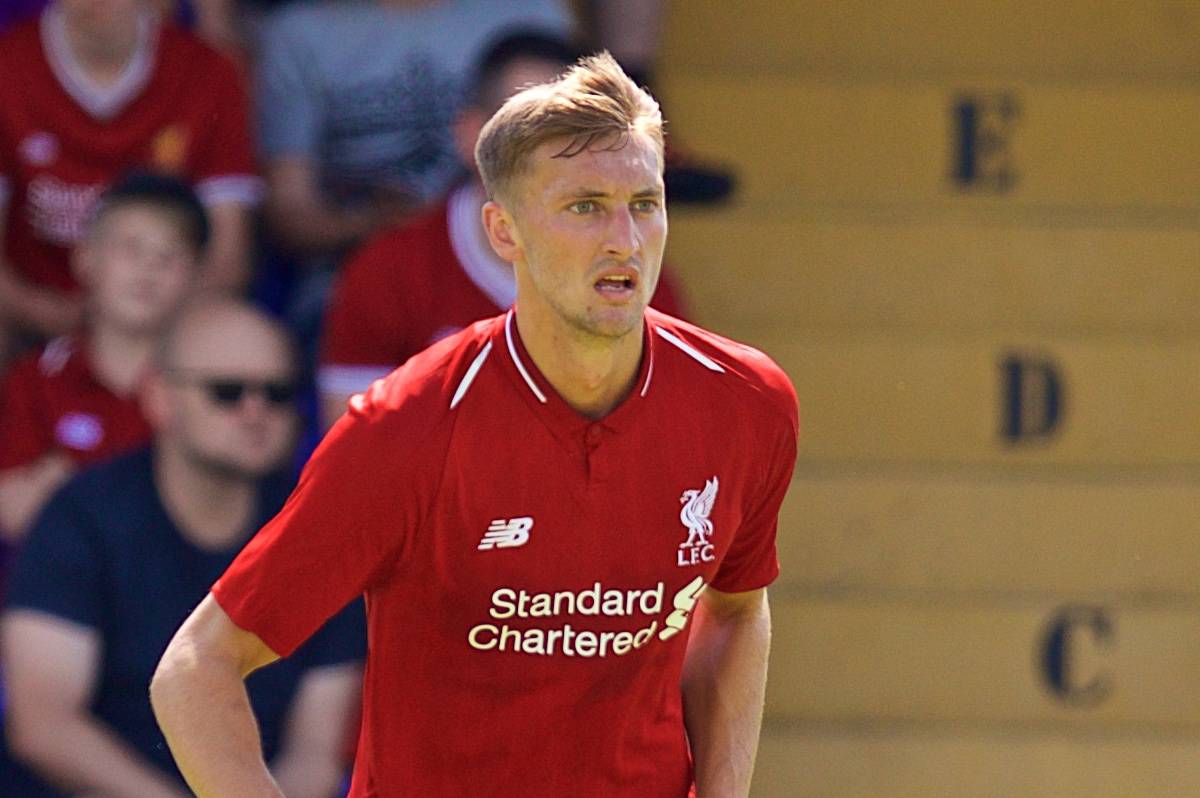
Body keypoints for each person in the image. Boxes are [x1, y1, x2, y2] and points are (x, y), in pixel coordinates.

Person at [150, 54, 798, 796]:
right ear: (503, 231)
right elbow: (196, 668)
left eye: (644, 203)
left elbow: (738, 611)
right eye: (584, 206)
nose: (624, 237)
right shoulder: (405, 428)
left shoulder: (748, 400)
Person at [0, 298, 364, 797]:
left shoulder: (321, 536)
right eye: (226, 392)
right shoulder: (80, 516)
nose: (255, 411)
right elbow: (44, 727)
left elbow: (314, 752)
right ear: (159, 396)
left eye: (278, 393)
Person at [318, 31, 689, 428]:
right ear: (470, 135)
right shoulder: (388, 270)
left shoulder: (631, 273)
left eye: (574, 131)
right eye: (525, 126)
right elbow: (353, 445)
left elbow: (670, 436)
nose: (552, 149)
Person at [0, 0, 259, 363]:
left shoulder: (209, 72)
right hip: (33, 325)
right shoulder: (8, 67)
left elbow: (228, 261)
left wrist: (136, 328)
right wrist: (63, 318)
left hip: (170, 328)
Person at [255, 0, 571, 261]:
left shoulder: (530, 11)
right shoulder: (300, 33)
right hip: (349, 271)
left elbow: (572, 154)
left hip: (522, 259)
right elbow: (289, 213)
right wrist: (373, 222)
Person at [0, 172, 205, 541]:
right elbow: (13, 509)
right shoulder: (33, 380)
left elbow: (212, 520)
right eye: (130, 248)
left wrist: (69, 485)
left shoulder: (209, 386)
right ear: (85, 260)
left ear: (196, 278)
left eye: (168, 255)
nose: (148, 268)